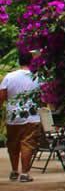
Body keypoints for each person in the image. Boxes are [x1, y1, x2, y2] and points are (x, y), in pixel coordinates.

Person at [1, 49, 41, 182]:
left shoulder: (9, 77)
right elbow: (44, 97)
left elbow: (2, 96)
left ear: (19, 61)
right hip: (31, 116)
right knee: (27, 144)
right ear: (31, 61)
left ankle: (14, 171)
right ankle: (24, 173)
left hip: (13, 116)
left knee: (13, 144)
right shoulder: (37, 77)